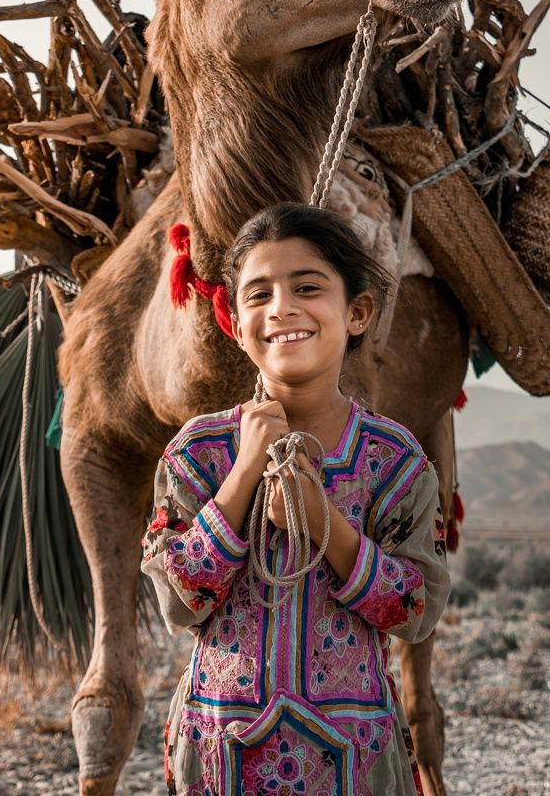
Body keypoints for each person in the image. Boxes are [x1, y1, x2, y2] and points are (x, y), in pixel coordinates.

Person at [141, 202, 451, 796]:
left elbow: (418, 611)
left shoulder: (396, 461)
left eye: (307, 287)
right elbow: (178, 602)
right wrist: (244, 473)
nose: (281, 308)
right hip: (218, 756)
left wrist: (323, 525)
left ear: (357, 312)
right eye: (258, 295)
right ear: (234, 320)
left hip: (355, 757)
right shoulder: (199, 452)